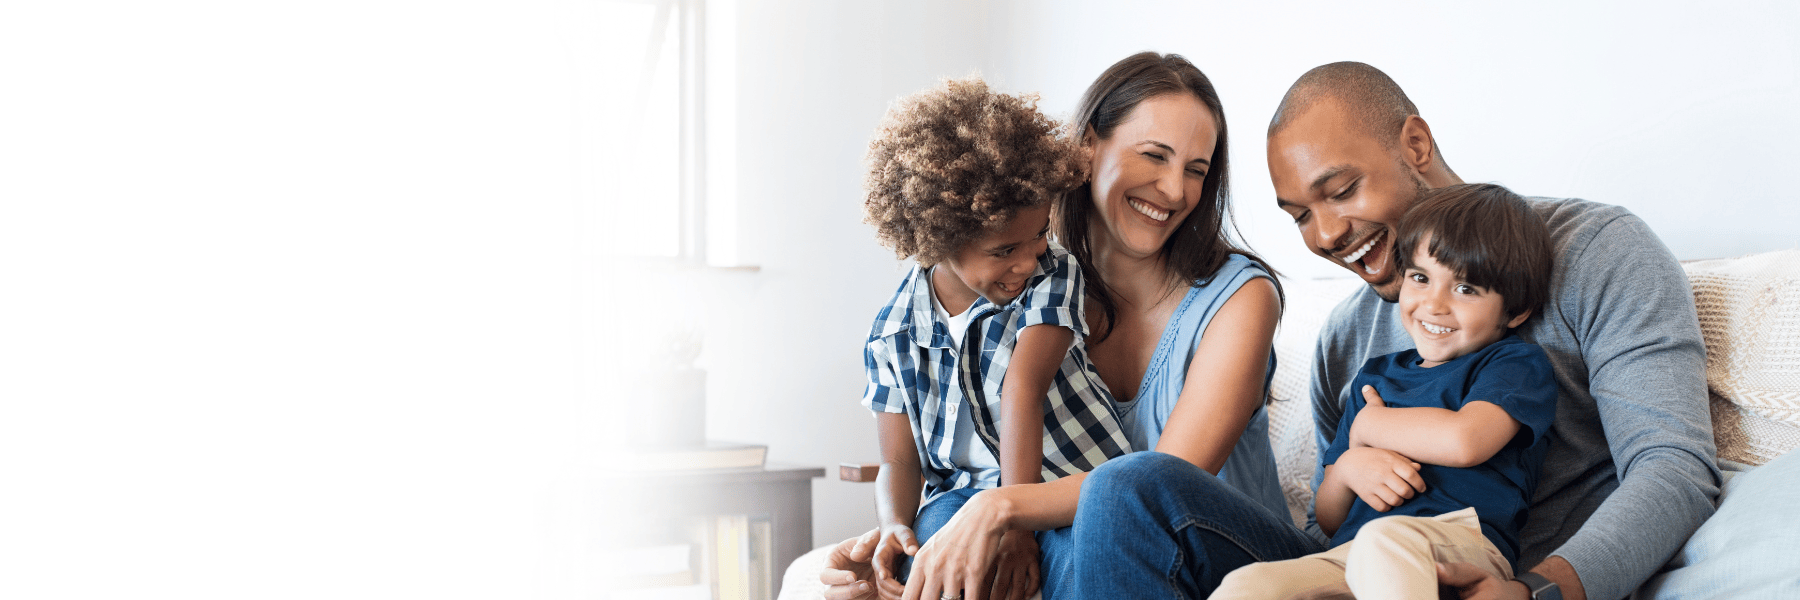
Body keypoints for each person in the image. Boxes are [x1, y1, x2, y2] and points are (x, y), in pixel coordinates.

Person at [823, 52, 1306, 600]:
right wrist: (908, 553)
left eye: (1196, 170)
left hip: (1224, 556)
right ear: (1088, 146)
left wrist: (1001, 507)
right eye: (1154, 155)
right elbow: (957, 458)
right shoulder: (1017, 282)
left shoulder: (1240, 297)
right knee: (949, 531)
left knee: (1119, 491)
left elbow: (1158, 485)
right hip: (1102, 553)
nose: (1175, 190)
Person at [856, 76, 1132, 600]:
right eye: (1004, 251)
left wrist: (1016, 525)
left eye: (1038, 234)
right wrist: (893, 525)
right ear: (938, 239)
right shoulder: (892, 333)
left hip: (1061, 485)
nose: (1027, 262)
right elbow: (898, 461)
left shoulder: (1054, 274)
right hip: (959, 496)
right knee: (926, 557)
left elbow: (1022, 389)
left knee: (1078, 564)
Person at [1212, 183, 1558, 599]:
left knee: (1384, 542)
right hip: (1354, 550)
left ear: (1515, 311)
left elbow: (1465, 441)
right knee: (1249, 584)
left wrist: (1370, 427)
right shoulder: (1374, 378)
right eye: (1420, 278)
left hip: (1459, 541)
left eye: (1465, 289)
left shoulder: (1513, 364)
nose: (1434, 304)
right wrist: (1350, 468)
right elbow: (1328, 519)